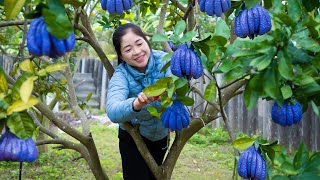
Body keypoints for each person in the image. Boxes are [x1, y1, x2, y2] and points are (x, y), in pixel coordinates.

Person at [106, 23, 171, 180]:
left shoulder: (165, 60)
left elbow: (181, 87)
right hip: (133, 138)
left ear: (146, 41)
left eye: (139, 43)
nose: (137, 52)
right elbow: (113, 111)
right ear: (121, 56)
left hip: (161, 135)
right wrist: (136, 104)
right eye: (128, 49)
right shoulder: (121, 75)